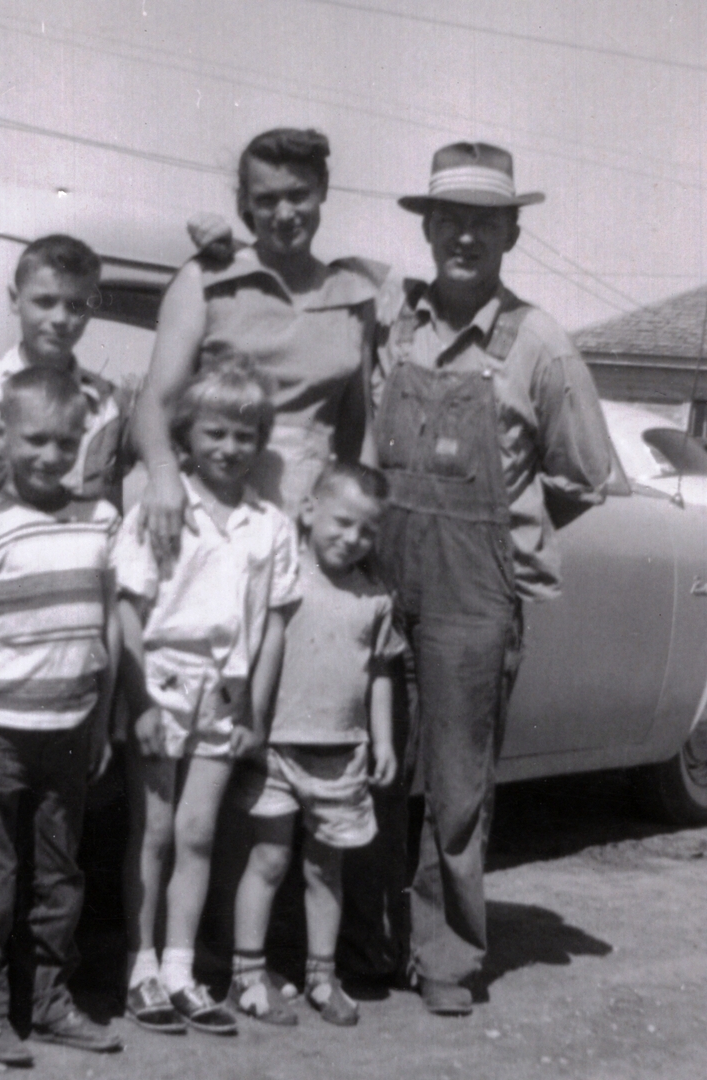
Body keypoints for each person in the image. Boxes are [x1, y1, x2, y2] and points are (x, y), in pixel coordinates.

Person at [372, 142, 613, 1015]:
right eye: (450, 219)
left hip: (475, 596)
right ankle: (367, 941)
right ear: (427, 228)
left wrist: (507, 540)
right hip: (381, 580)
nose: (465, 237)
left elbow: (585, 476)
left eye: (485, 222)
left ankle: (445, 956)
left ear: (512, 233)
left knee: (457, 784)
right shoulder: (393, 321)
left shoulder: (541, 344)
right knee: (371, 768)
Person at [0, 366, 124, 1064]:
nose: (50, 455)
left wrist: (102, 722)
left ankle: (48, 1001)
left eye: (66, 442)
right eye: (35, 440)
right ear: (1, 436)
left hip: (70, 732)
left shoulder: (100, 520)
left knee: (59, 876)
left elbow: (107, 625)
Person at [113, 352, 301, 1035]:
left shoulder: (270, 524)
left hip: (227, 691)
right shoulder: (162, 509)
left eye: (244, 435)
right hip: (161, 680)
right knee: (154, 830)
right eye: (215, 432)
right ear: (187, 434)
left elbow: (272, 628)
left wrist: (255, 710)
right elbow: (127, 609)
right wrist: (137, 702)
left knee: (198, 833)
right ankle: (139, 968)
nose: (228, 447)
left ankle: (180, 970)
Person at [134, 127, 387, 561]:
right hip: (215, 504)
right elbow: (155, 402)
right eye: (267, 200)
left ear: (323, 189)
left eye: (298, 195)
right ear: (245, 203)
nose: (284, 214)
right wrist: (162, 476)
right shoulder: (205, 280)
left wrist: (365, 528)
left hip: (312, 519)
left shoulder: (353, 296)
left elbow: (357, 432)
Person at [231, 461, 404, 1028]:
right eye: (342, 522)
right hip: (276, 749)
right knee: (269, 857)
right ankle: (247, 975)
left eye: (367, 531)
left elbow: (380, 672)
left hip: (341, 754)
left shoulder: (374, 597)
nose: (352, 538)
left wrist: (383, 741)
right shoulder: (283, 580)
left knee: (325, 869)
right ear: (308, 511)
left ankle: (321, 977)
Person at [0, 232, 133, 590]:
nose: (60, 318)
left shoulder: (109, 405)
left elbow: (111, 521)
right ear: (15, 300)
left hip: (77, 600)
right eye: (45, 302)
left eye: (76, 306)